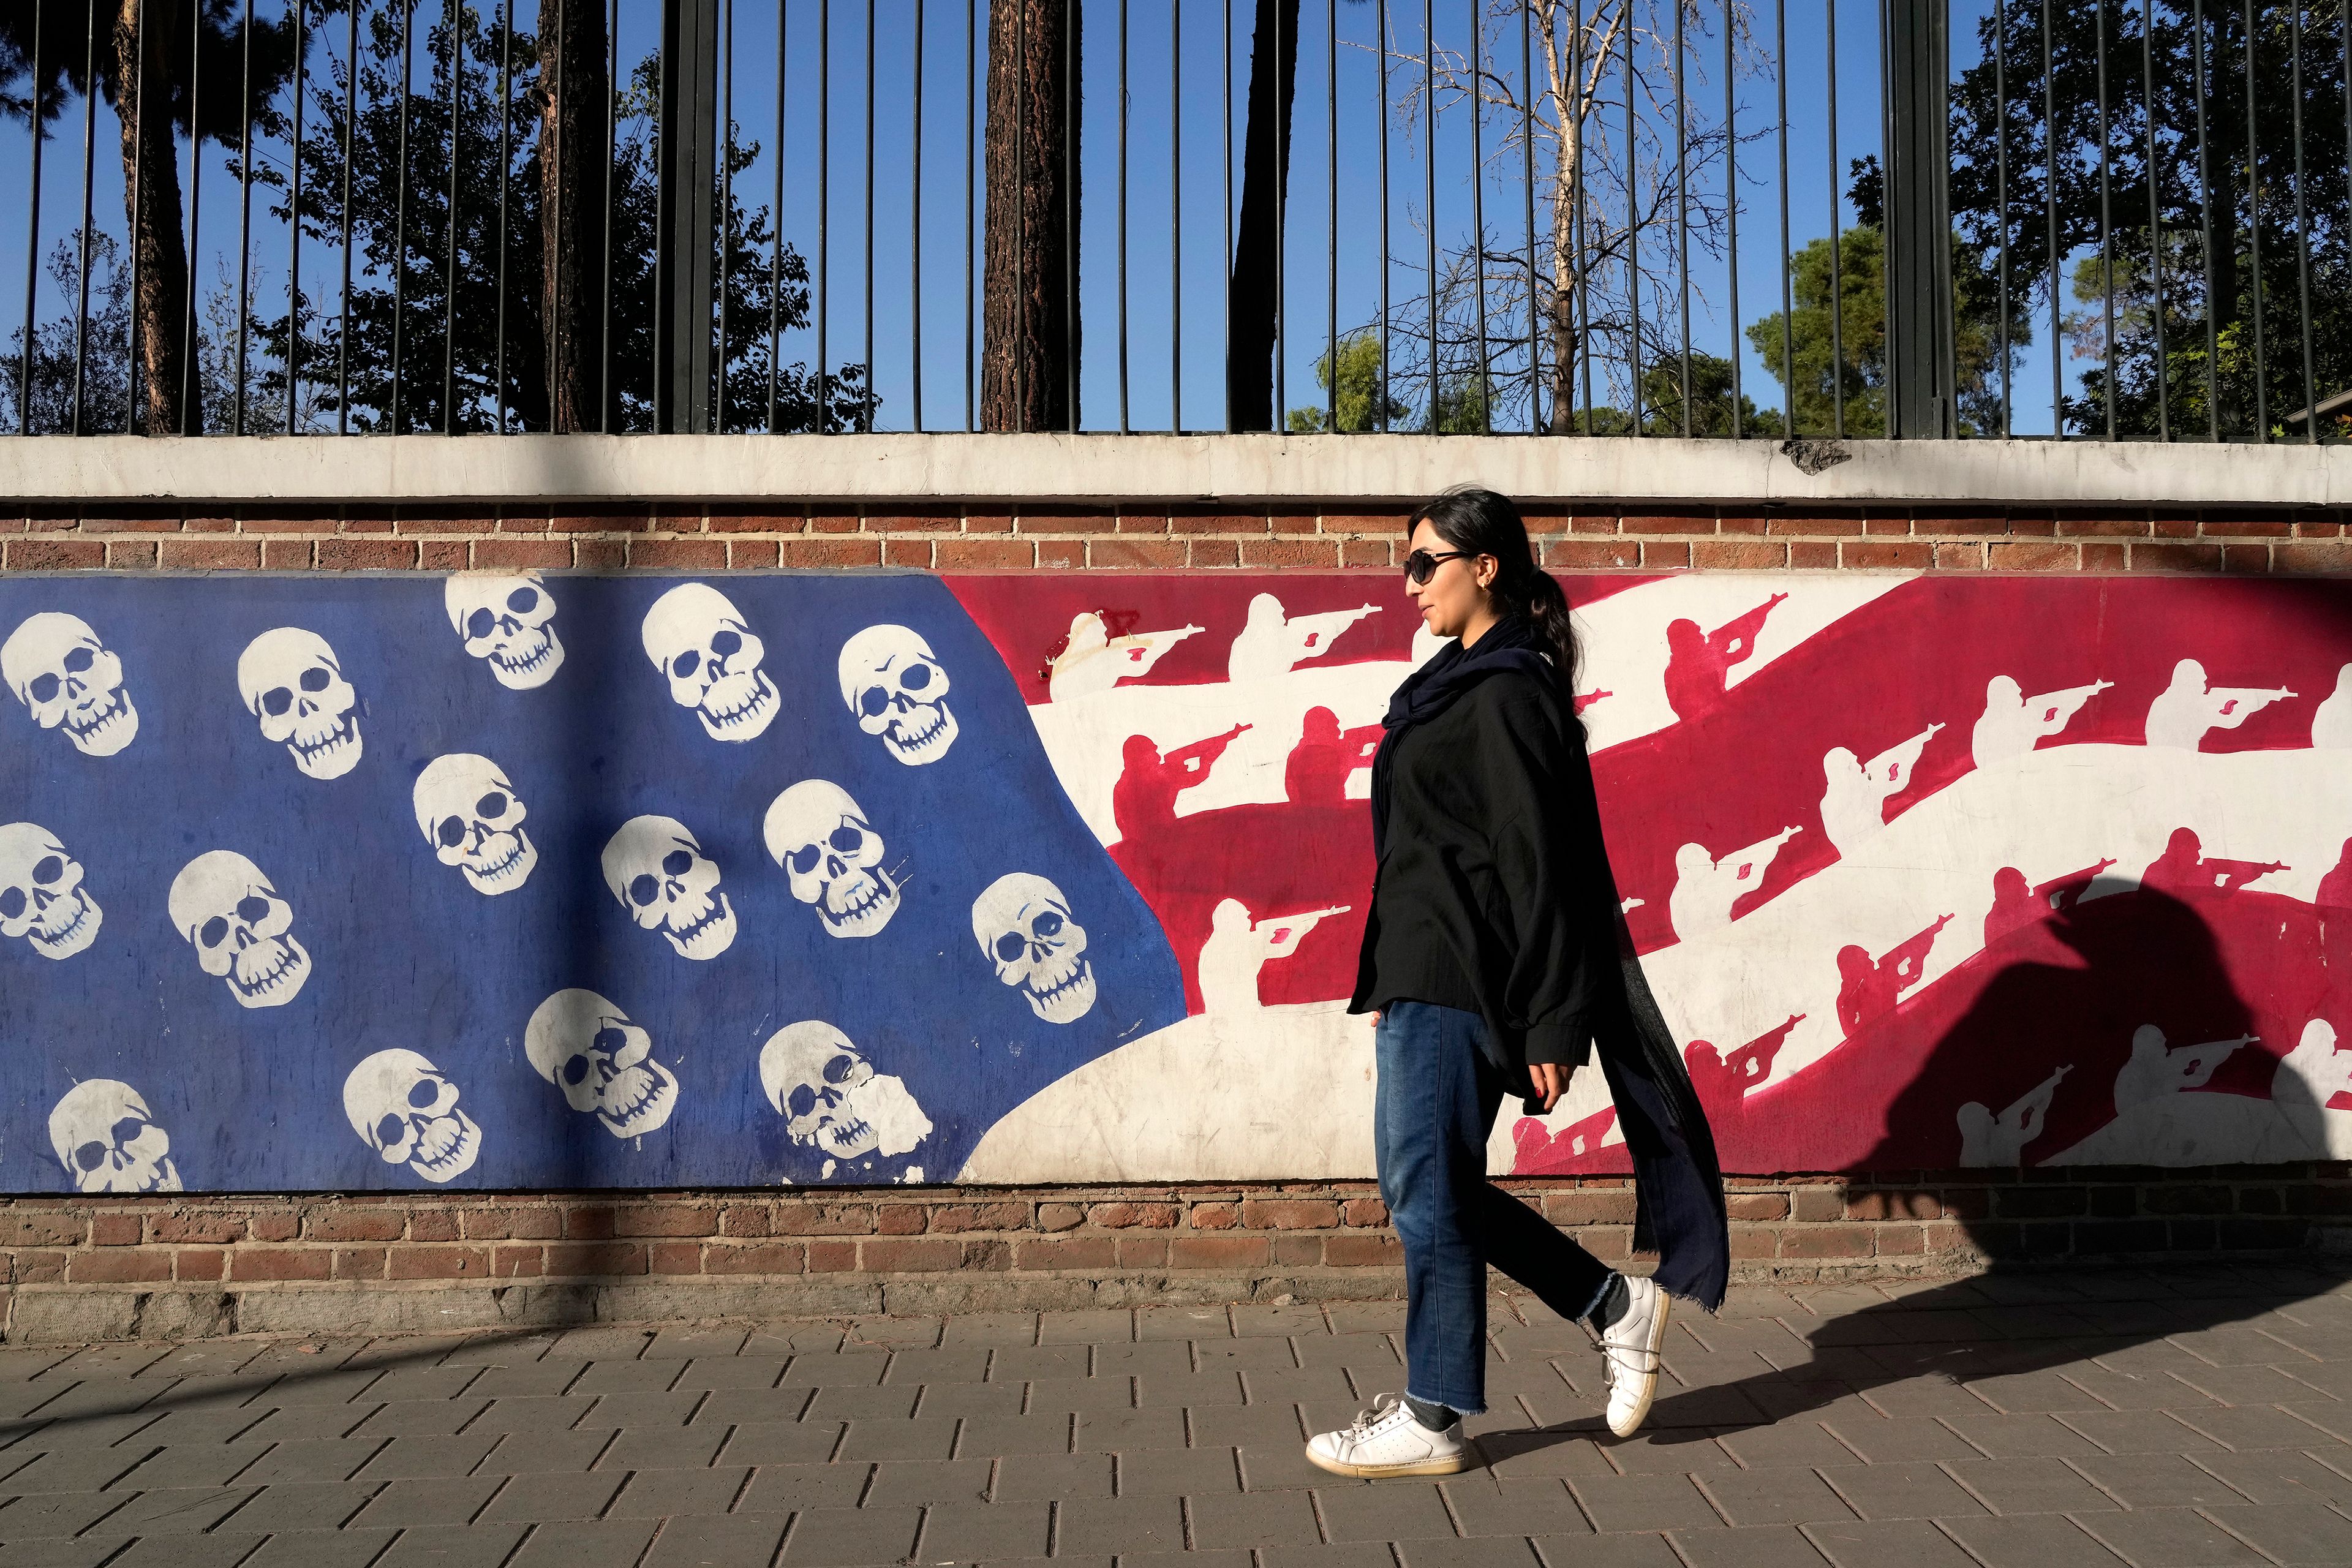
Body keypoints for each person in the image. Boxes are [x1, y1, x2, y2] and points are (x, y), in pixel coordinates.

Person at [1306, 486, 1728, 1480]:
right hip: (1424, 965)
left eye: (1425, 565)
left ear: (1484, 566)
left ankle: (1434, 1415)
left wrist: (1553, 1022)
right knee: (1434, 1186)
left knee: (1422, 1185)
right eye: (1404, 565)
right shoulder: (1454, 686)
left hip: (1463, 974)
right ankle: (1614, 1307)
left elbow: (1543, 862)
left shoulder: (1505, 694)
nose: (1408, 585)